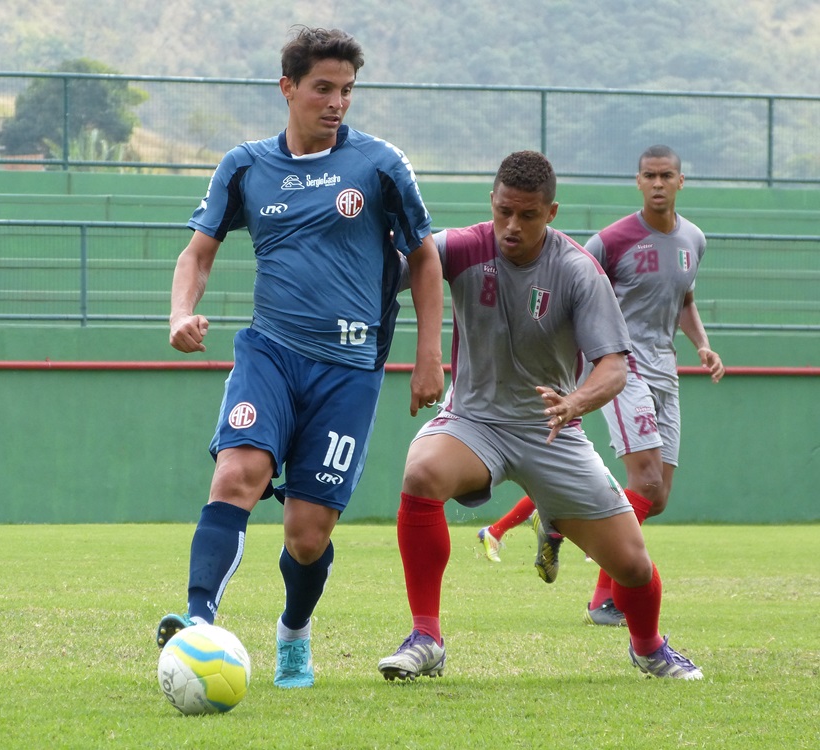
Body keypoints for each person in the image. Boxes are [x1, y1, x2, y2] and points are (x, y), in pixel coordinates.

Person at [156, 25, 444, 689]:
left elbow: (424, 258)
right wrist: (179, 314)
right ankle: (199, 620)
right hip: (271, 354)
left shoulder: (379, 166)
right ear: (288, 88)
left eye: (346, 90)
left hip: (349, 371)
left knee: (306, 534)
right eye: (323, 88)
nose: (337, 101)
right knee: (237, 473)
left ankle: (293, 633)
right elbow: (198, 252)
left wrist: (430, 354)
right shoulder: (245, 167)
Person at [378, 150, 704, 681]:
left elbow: (615, 368)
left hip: (552, 432)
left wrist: (574, 403)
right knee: (422, 470)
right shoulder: (458, 248)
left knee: (633, 565)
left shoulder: (578, 269)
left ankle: (649, 647)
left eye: (528, 215)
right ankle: (426, 637)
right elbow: (399, 268)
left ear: (550, 213)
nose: (512, 226)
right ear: (492, 202)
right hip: (475, 423)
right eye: (504, 211)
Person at [479, 145, 725, 627]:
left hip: (665, 369)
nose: (658, 183)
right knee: (645, 481)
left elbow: (684, 299)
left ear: (681, 181)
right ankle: (597, 589)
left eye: (666, 175)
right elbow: (567, 288)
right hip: (621, 366)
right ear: (637, 181)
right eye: (649, 175)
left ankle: (560, 527)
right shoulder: (609, 242)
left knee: (656, 497)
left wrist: (702, 344)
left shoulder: (693, 239)